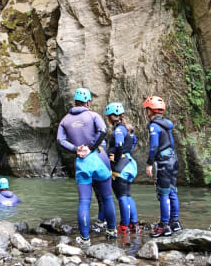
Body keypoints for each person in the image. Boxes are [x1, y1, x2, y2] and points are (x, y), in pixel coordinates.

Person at [57, 88, 117, 246]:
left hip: (82, 162)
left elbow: (60, 140)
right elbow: (103, 131)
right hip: (99, 158)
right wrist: (91, 147)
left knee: (84, 201)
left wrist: (76, 149)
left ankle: (85, 239)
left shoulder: (65, 120)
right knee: (107, 197)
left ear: (75, 102)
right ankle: (111, 231)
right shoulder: (93, 115)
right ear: (88, 102)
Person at [143, 96, 182, 238]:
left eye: (147, 110)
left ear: (150, 111)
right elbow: (171, 143)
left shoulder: (154, 126)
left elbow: (154, 146)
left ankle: (164, 225)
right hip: (173, 159)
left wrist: (149, 163)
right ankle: (175, 222)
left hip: (164, 162)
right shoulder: (167, 124)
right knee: (172, 191)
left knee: (163, 193)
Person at [105, 102, 141, 235]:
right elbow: (132, 144)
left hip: (120, 167)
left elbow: (119, 145)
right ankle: (134, 224)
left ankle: (124, 225)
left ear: (111, 117)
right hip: (128, 164)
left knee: (121, 197)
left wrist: (116, 157)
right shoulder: (128, 129)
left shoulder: (119, 129)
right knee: (127, 195)